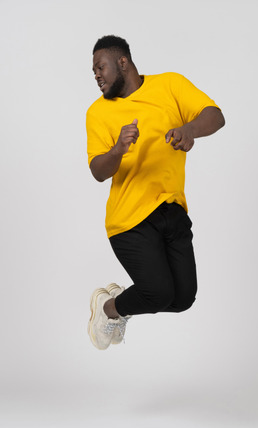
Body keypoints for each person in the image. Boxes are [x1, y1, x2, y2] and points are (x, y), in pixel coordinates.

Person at [86, 35, 225, 350]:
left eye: (100, 67)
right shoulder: (97, 113)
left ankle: (119, 301)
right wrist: (118, 149)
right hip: (129, 219)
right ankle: (108, 308)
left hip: (173, 210)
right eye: (93, 71)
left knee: (182, 299)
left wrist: (189, 130)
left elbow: (215, 116)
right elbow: (97, 171)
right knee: (158, 293)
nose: (96, 75)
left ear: (122, 62)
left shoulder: (170, 85)